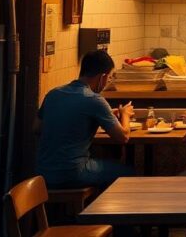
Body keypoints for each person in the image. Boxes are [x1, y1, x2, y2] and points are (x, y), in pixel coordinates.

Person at [35, 50, 135, 188]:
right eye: (109, 77)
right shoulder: (94, 100)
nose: (107, 82)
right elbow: (123, 137)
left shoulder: (53, 94)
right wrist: (125, 114)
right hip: (73, 172)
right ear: (102, 77)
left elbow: (36, 128)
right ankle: (99, 208)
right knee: (129, 174)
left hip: (43, 173)